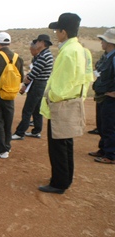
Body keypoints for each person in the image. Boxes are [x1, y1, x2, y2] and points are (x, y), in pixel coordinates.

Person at [38, 13, 94, 194]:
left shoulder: (68, 52)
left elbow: (60, 85)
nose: (56, 33)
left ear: (64, 31)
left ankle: (59, 183)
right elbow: (87, 77)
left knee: (58, 146)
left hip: (61, 104)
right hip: (73, 100)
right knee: (66, 143)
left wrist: (51, 96)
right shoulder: (81, 50)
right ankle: (65, 178)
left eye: (57, 30)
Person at [0, 32, 24, 158]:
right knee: (8, 120)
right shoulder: (18, 58)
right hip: (11, 94)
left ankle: (0, 149)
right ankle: (7, 147)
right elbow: (21, 78)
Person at [12, 34, 54, 140]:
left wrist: (25, 82)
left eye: (37, 42)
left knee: (27, 110)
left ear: (42, 43)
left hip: (37, 84)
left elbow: (33, 74)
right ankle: (36, 131)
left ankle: (20, 132)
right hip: (40, 84)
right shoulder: (45, 54)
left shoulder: (44, 56)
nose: (36, 44)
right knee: (36, 109)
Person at [88, 28, 115, 164]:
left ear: (109, 42)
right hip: (103, 95)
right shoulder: (106, 56)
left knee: (109, 125)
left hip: (110, 98)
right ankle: (103, 149)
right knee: (102, 124)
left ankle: (111, 155)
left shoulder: (114, 57)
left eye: (103, 40)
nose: (101, 43)